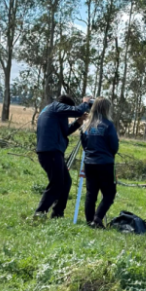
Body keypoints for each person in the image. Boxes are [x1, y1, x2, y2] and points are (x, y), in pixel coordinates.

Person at [34, 93, 92, 218]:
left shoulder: (52, 112)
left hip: (50, 151)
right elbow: (77, 110)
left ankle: (57, 213)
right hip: (51, 151)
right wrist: (86, 102)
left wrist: (78, 122)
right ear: (65, 106)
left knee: (65, 182)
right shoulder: (57, 107)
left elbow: (65, 131)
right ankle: (40, 212)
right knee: (57, 183)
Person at [80, 97, 119, 227]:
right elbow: (114, 146)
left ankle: (89, 220)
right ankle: (97, 218)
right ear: (106, 109)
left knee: (91, 193)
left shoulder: (86, 125)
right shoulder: (108, 125)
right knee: (109, 193)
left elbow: (84, 144)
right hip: (105, 163)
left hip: (89, 162)